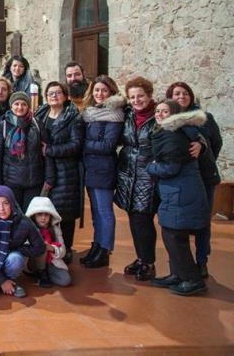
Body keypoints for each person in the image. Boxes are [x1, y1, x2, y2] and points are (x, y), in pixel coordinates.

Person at [147, 101, 209, 296]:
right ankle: (178, 274)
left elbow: (171, 167)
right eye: (157, 111)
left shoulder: (173, 134)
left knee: (174, 236)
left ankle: (193, 280)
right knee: (172, 234)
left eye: (165, 111)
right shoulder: (176, 131)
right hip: (178, 191)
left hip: (181, 191)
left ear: (174, 114)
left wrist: (150, 167)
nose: (159, 114)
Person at [166, 81, 222, 278]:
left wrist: (204, 151)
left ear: (190, 96)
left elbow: (216, 142)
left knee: (202, 223)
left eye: (184, 93)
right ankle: (181, 265)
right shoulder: (168, 119)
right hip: (179, 179)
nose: (181, 96)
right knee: (176, 224)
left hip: (204, 177)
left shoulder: (204, 118)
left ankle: (201, 262)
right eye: (176, 94)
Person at [36, 81, 84, 263]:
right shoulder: (40, 114)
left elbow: (75, 145)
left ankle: (67, 248)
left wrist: (49, 150)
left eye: (58, 93)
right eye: (50, 93)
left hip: (65, 170)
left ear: (65, 96)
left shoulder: (73, 117)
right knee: (45, 210)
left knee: (65, 212)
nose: (54, 96)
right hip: (44, 169)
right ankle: (47, 245)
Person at [80, 76, 125, 268]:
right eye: (97, 90)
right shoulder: (90, 113)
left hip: (104, 168)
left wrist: (83, 144)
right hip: (91, 168)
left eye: (104, 91)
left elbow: (108, 145)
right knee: (96, 212)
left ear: (111, 92)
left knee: (105, 211)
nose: (100, 94)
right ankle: (97, 245)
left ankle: (105, 250)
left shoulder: (114, 114)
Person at [116, 76, 158, 281]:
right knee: (134, 218)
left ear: (149, 95)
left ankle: (149, 262)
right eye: (132, 97)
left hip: (148, 176)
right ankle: (141, 258)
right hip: (128, 174)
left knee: (143, 220)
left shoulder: (159, 116)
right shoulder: (129, 115)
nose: (136, 100)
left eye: (140, 96)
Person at [0, 185, 45, 298]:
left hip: (9, 257)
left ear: (12, 203)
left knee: (16, 259)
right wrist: (2, 281)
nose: (1, 208)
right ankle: (5, 283)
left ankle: (9, 281)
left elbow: (40, 247)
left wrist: (16, 249)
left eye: (6, 203)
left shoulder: (24, 222)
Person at [0, 92, 45, 212]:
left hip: (34, 181)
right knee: (13, 216)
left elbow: (45, 152)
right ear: (11, 106)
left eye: (24, 104)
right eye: (16, 104)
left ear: (28, 106)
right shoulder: (3, 126)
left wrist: (49, 177)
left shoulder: (37, 124)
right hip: (11, 182)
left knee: (30, 217)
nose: (20, 107)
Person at [25, 196, 72, 288]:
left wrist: (51, 248)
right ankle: (41, 273)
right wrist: (37, 245)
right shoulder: (28, 229)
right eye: (39, 214)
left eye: (46, 215)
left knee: (65, 280)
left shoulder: (55, 228)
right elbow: (23, 247)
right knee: (41, 245)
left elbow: (63, 251)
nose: (43, 218)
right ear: (34, 215)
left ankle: (44, 273)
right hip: (32, 261)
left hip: (51, 261)